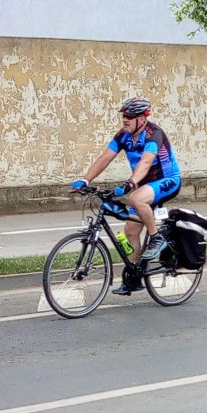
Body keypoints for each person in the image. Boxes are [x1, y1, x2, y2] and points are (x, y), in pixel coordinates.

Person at [71, 97, 182, 295]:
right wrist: (86, 180)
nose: (125, 120)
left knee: (136, 198)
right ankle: (134, 278)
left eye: (130, 116)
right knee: (130, 231)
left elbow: (146, 162)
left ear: (143, 118)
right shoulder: (123, 136)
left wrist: (130, 183)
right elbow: (105, 157)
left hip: (168, 181)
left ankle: (156, 237)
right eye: (124, 116)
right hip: (144, 185)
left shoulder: (153, 134)